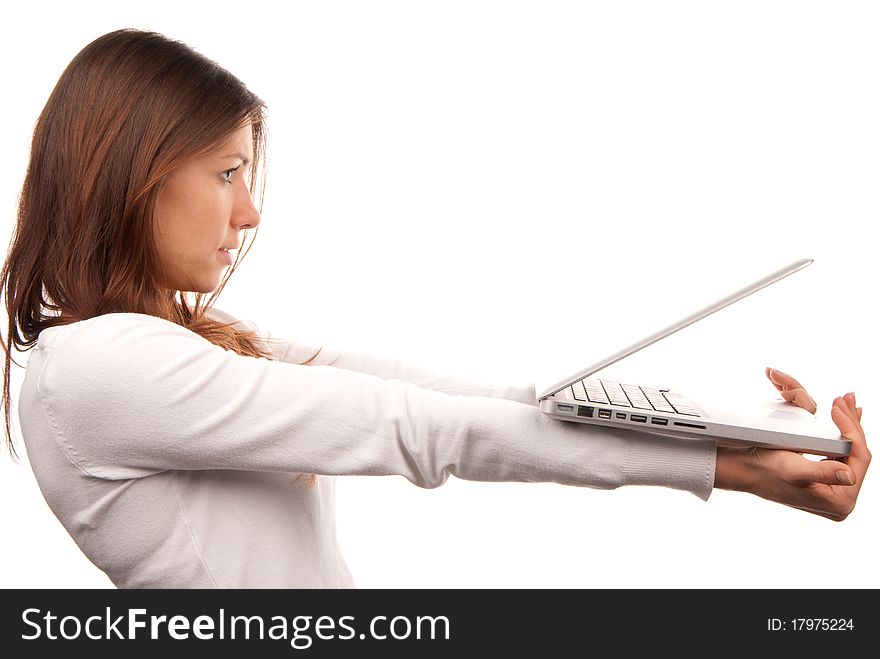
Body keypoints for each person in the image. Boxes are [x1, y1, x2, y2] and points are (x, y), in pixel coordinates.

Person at [0, 29, 869, 588]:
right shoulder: (100, 368)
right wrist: (736, 469)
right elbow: (420, 428)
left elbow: (455, 393)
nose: (250, 211)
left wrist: (730, 432)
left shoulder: (185, 344)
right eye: (227, 174)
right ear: (129, 174)